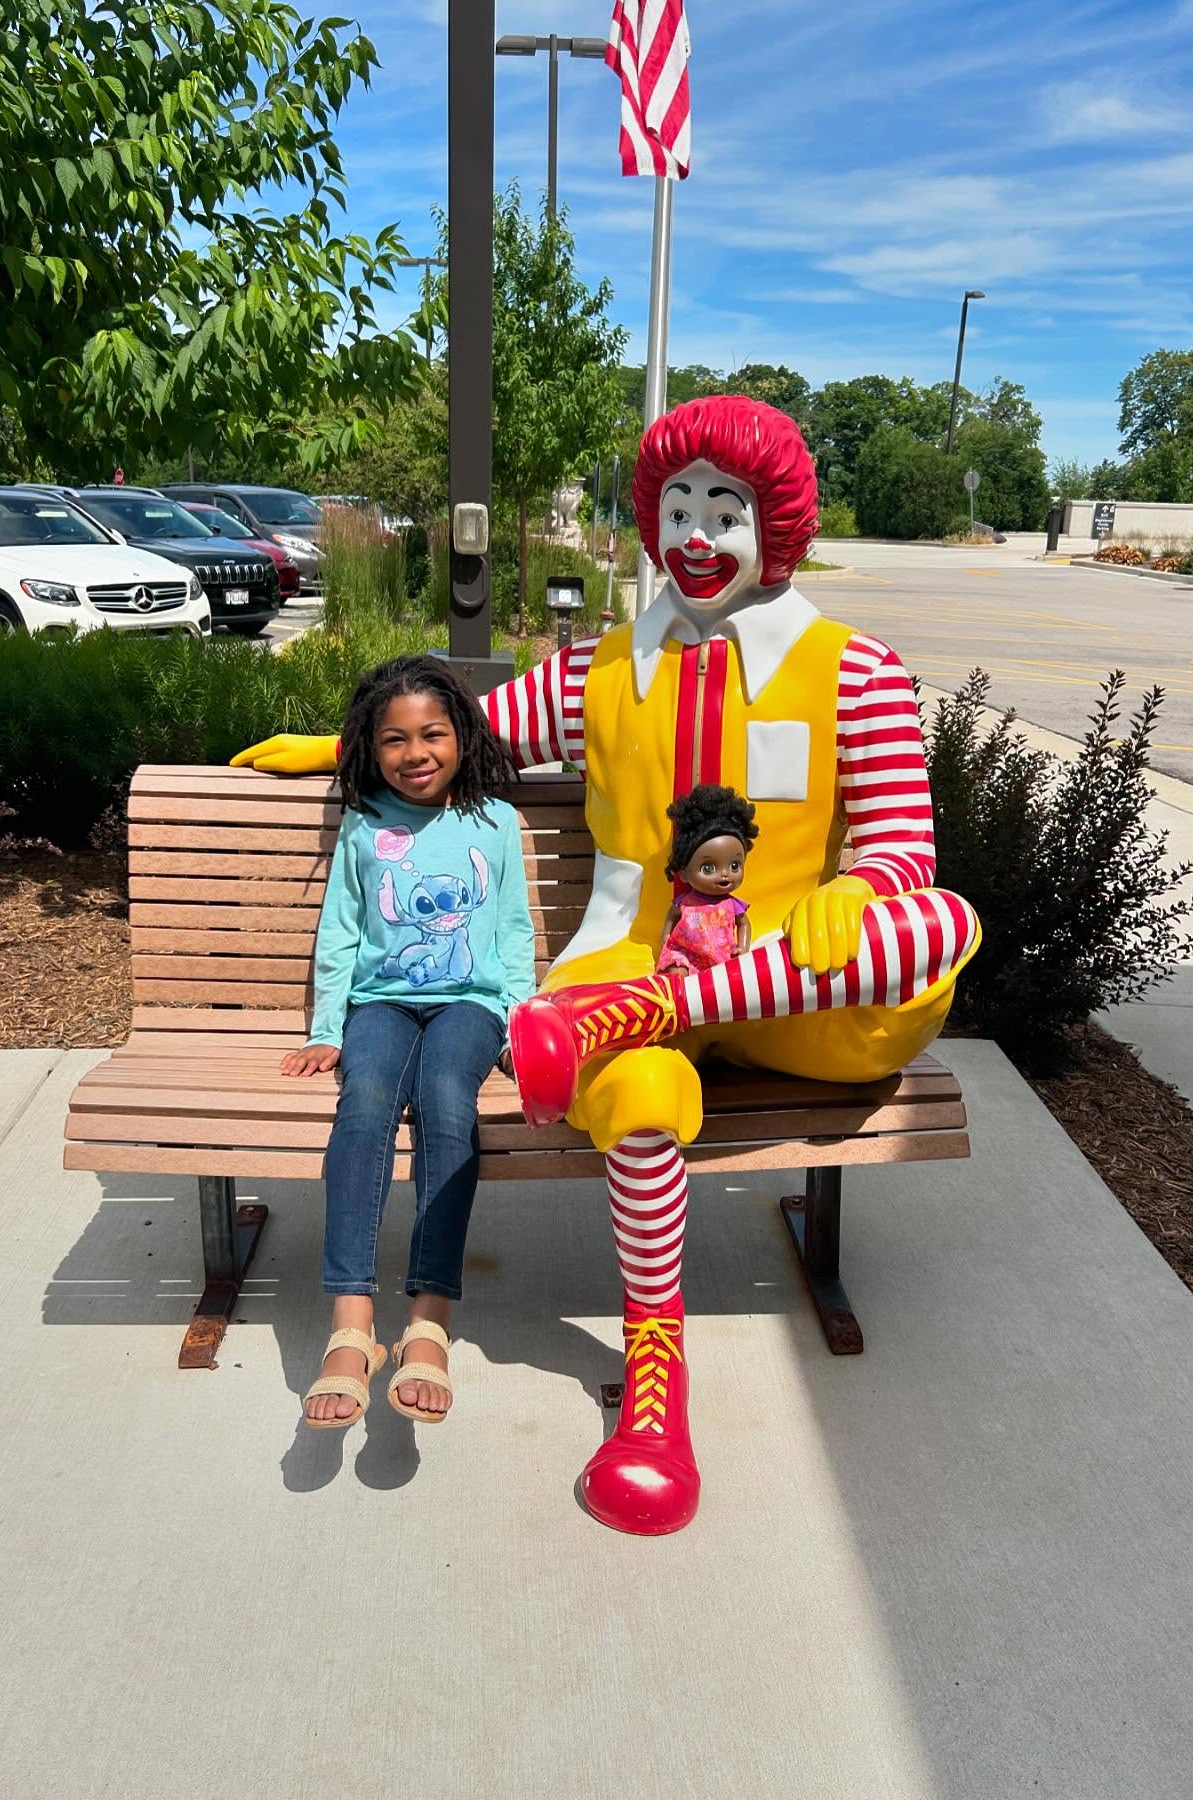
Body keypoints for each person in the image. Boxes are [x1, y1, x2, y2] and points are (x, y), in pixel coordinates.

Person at [234, 395, 980, 1536]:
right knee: (638, 1097)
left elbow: (903, 853)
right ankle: (653, 1397)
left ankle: (641, 1013)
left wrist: (860, 894)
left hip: (801, 982)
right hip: (620, 967)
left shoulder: (860, 673)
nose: (695, 533)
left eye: (723, 510)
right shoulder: (598, 672)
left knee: (941, 922)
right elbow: (474, 732)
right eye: (678, 507)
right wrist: (343, 752)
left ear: (772, 526)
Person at [283, 656, 535, 1432]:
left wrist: (521, 1023)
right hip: (381, 1005)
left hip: (469, 1006)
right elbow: (342, 931)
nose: (414, 753)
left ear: (462, 734)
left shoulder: (494, 822)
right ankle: (352, 1326)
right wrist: (329, 1028)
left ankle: (430, 1318)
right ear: (368, 745)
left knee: (445, 1099)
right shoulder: (365, 823)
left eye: (432, 734)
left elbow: (517, 935)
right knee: (362, 1102)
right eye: (394, 739)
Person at [657, 784, 758, 974]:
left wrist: (743, 947)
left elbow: (744, 923)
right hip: (684, 953)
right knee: (677, 971)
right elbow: (672, 914)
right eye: (709, 868)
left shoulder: (732, 904)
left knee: (724, 979)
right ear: (684, 873)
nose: (724, 874)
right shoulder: (685, 902)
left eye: (734, 865)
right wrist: (666, 936)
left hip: (720, 958)